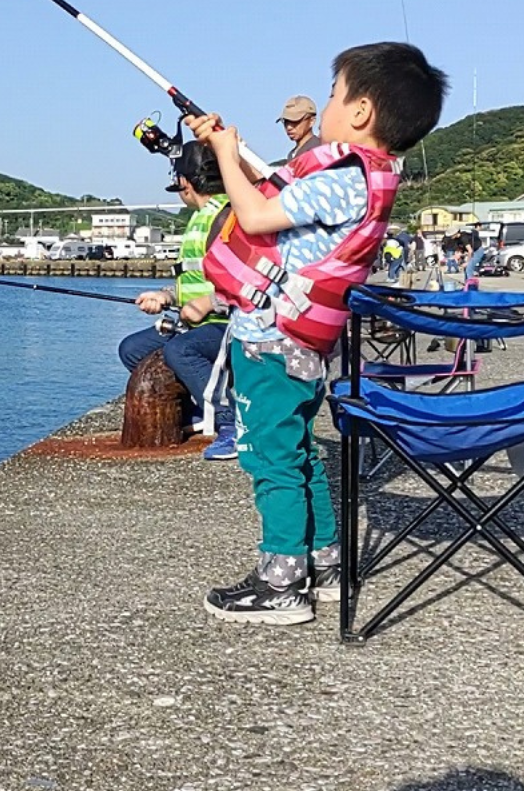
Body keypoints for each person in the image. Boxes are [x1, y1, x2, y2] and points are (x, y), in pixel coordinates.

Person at [182, 41, 447, 626]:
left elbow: (253, 216)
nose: (327, 104)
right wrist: (231, 147)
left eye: (333, 94)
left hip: (270, 341)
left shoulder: (343, 177)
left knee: (270, 459)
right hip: (303, 344)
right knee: (299, 453)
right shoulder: (365, 178)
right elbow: (277, 189)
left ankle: (281, 581)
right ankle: (324, 561)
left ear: (360, 112)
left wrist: (224, 153)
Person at [117, 142, 237, 459]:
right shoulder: (200, 218)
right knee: (132, 349)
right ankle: (196, 413)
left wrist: (210, 303)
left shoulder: (226, 219)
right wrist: (165, 296)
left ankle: (231, 425)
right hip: (197, 324)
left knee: (180, 349)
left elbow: (246, 282)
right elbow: (194, 280)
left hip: (230, 325)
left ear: (185, 182)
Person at [277, 95, 322, 162]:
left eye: (295, 121)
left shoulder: (319, 150)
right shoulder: (292, 154)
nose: (289, 127)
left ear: (311, 121)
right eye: (286, 122)